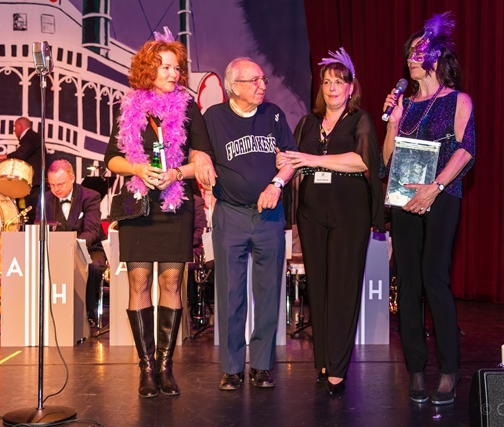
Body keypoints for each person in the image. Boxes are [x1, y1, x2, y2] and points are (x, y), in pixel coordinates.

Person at [104, 27, 215, 398]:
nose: (173, 73)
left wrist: (176, 173)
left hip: (174, 204)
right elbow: (111, 159)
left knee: (170, 282)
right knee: (138, 283)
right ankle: (146, 367)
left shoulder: (189, 109)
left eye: (176, 67)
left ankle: (165, 366)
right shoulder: (130, 107)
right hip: (138, 207)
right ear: (148, 70)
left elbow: (203, 159)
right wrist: (137, 168)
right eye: (166, 67)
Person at [277, 48, 385, 395]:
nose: (332, 88)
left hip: (349, 215)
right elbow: (293, 161)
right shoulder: (307, 123)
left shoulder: (360, 120)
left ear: (351, 87)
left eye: (339, 82)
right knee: (319, 289)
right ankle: (323, 360)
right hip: (311, 214)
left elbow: (362, 161)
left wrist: (311, 159)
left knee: (342, 288)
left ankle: (338, 366)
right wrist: (284, 163)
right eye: (326, 82)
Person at [380, 12, 475, 405]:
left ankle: (449, 370)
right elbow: (386, 161)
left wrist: (435, 188)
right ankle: (416, 370)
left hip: (441, 196)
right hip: (404, 197)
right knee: (409, 283)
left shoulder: (457, 100)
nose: (411, 58)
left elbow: (466, 150)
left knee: (435, 279)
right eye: (409, 53)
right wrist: (392, 124)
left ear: (436, 56)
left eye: (418, 52)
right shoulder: (405, 104)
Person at [203, 57, 296, 391]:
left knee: (268, 292)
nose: (261, 86)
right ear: (234, 87)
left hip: (269, 215)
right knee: (231, 293)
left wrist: (277, 184)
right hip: (231, 213)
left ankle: (261, 365)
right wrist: (201, 165)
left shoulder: (273, 115)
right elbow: (199, 153)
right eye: (254, 81)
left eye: (263, 80)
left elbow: (290, 159)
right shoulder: (214, 117)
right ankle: (231, 368)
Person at [36, 159, 106, 326]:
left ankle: (88, 312)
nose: (56, 189)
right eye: (52, 185)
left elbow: (91, 230)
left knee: (93, 267)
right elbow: (38, 227)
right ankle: (47, 312)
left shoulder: (90, 196)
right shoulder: (45, 198)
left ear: (72, 178)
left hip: (89, 247)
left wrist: (71, 245)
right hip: (55, 248)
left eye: (60, 184)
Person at [0, 117, 42, 224]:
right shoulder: (32, 137)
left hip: (34, 182)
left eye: (15, 126)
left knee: (31, 212)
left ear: (20, 126)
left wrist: (6, 157)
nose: (14, 130)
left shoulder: (30, 136)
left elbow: (22, 153)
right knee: (28, 211)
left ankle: (30, 231)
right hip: (33, 182)